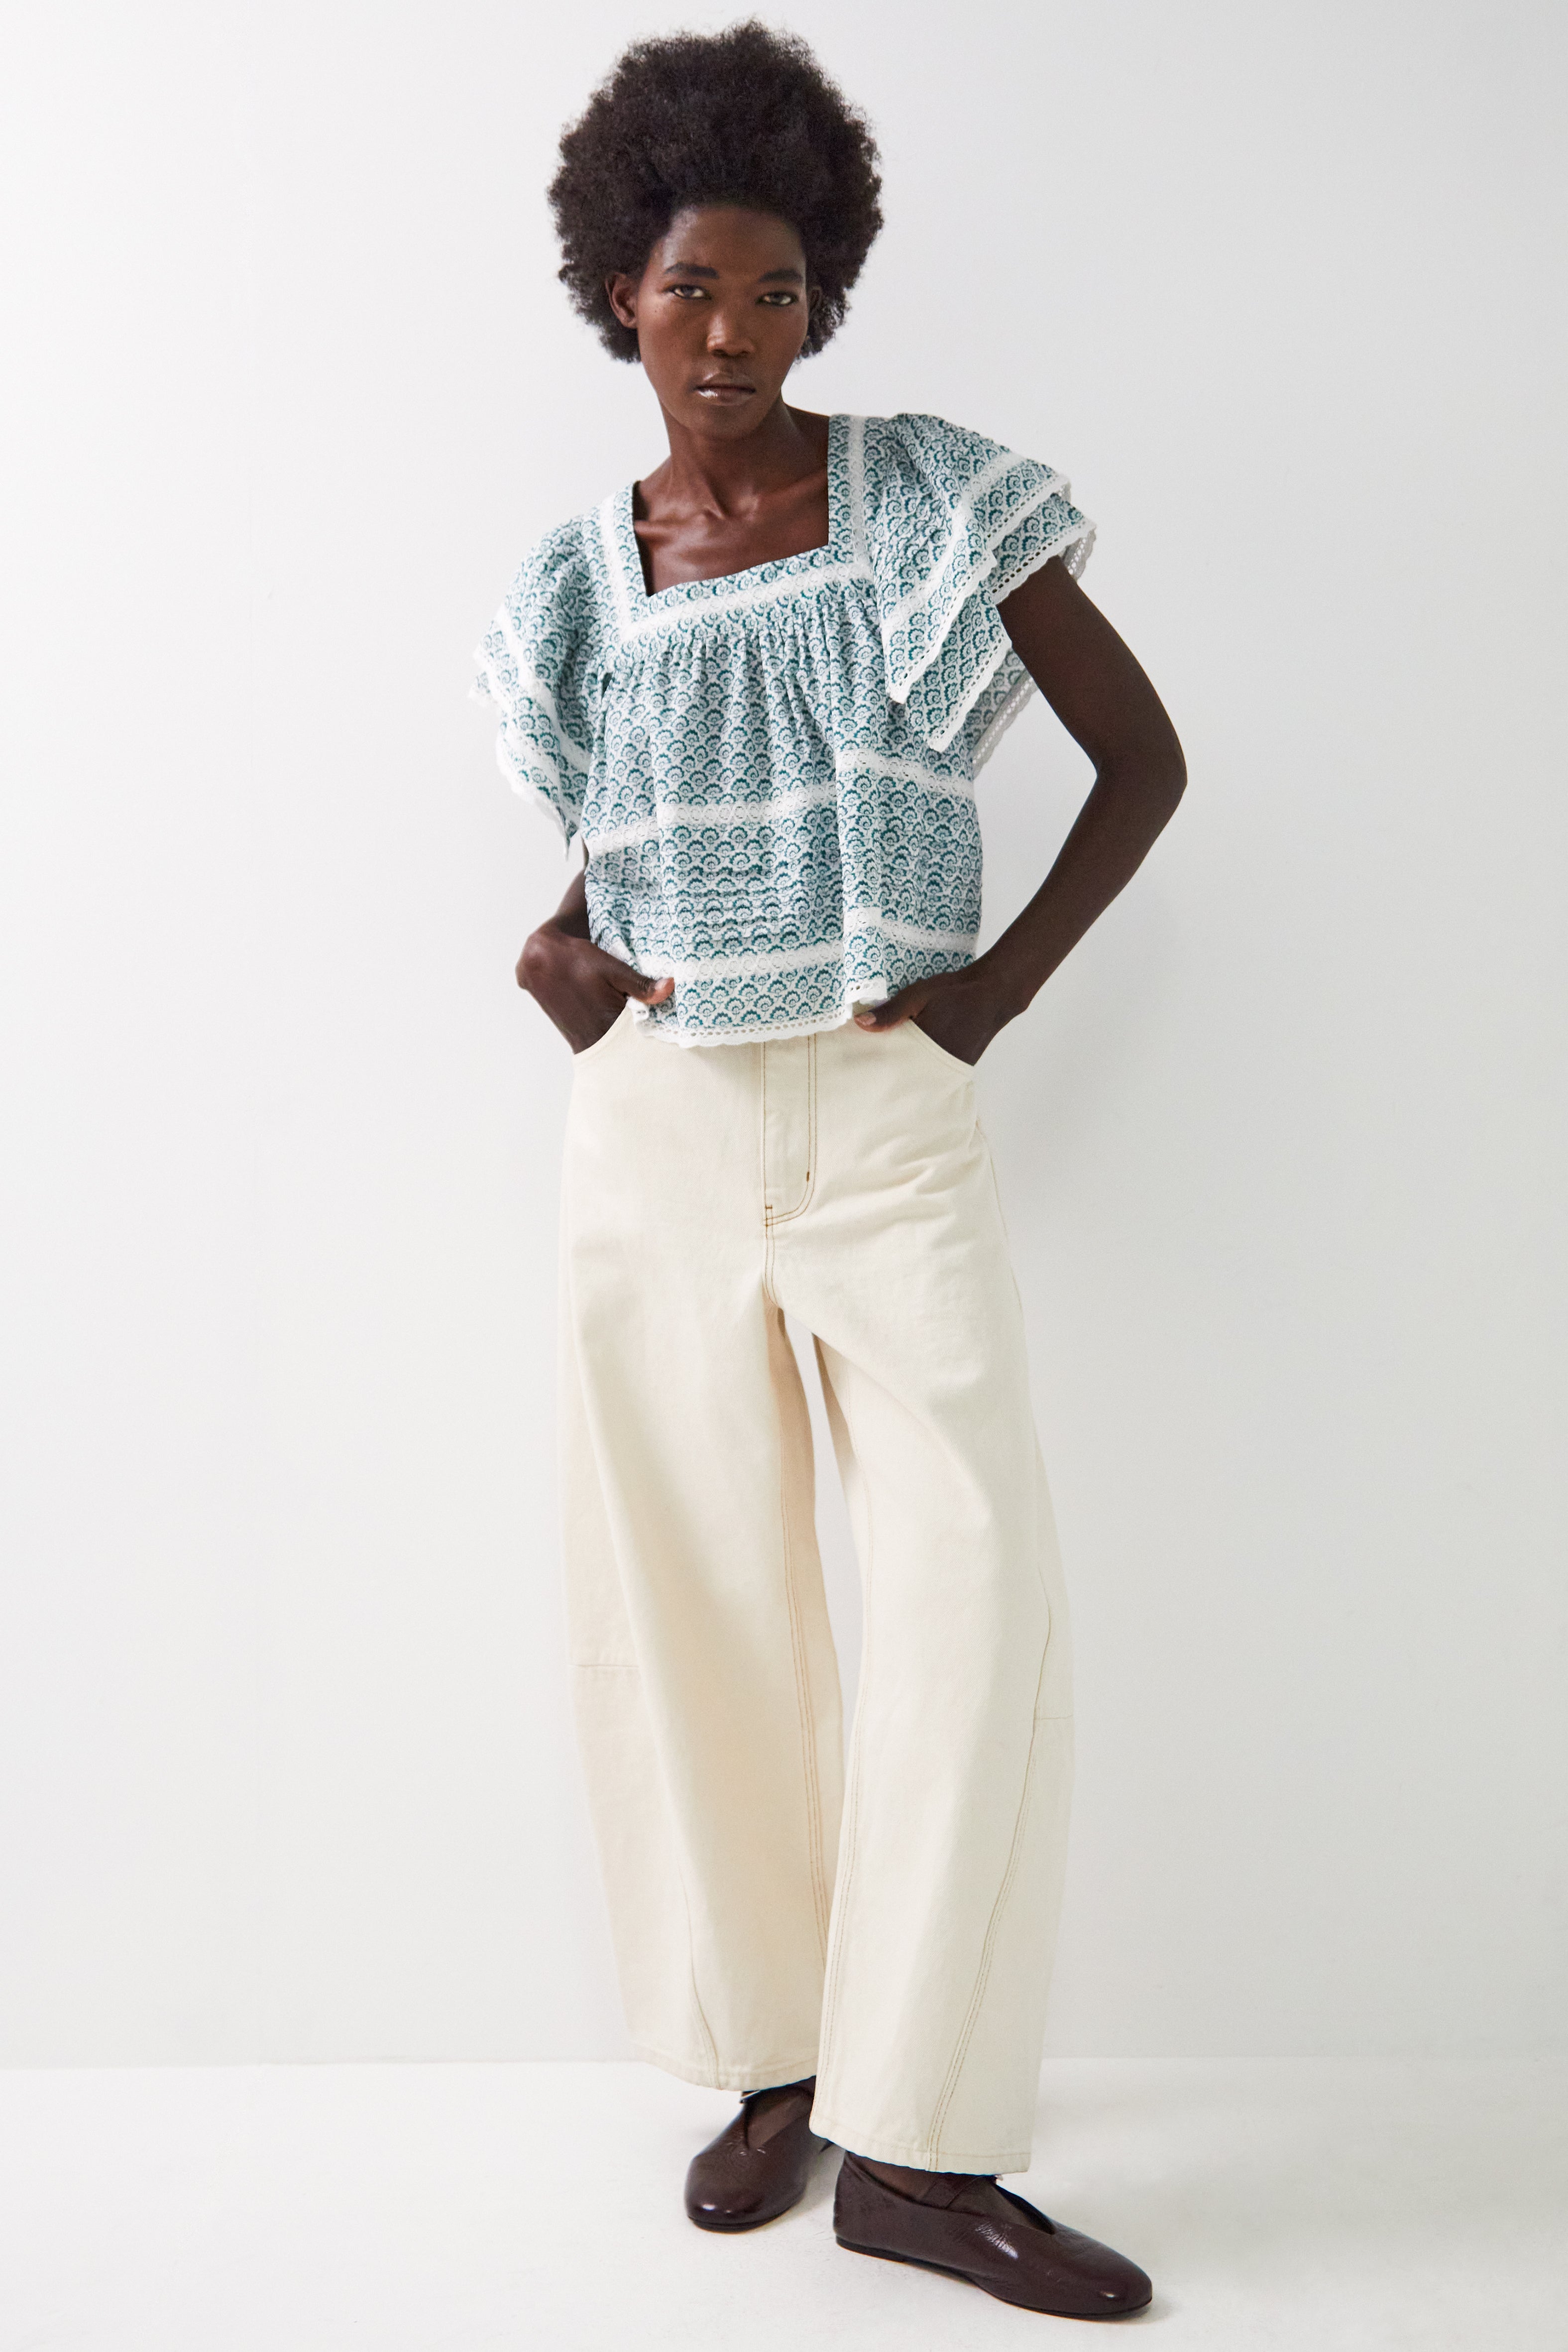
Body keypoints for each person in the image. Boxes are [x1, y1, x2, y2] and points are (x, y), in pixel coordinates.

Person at [473, 21, 1185, 2321]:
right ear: (617, 289)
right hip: (658, 1123)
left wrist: (984, 999)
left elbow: (1141, 759)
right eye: (688, 285)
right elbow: (635, 843)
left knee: (970, 1588)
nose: (729, 331)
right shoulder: (577, 582)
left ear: (821, 297)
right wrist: (567, 949)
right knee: (691, 1600)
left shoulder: (925, 505)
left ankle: (922, 2136)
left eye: (772, 289)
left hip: (884, 1119)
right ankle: (773, 2056)